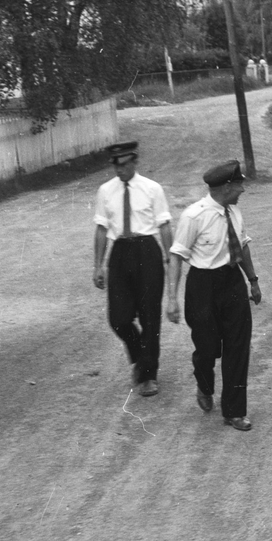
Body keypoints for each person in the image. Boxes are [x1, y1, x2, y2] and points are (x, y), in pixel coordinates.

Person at [166, 161, 262, 432]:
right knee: (207, 348)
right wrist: (171, 299)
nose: (243, 190)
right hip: (203, 286)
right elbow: (176, 256)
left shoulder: (235, 212)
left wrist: (253, 281)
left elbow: (242, 247)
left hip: (232, 282)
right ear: (227, 187)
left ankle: (234, 411)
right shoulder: (194, 216)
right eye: (239, 185)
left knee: (238, 347)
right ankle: (204, 385)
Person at [92, 141, 173, 397]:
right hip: (120, 252)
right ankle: (140, 356)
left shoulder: (152, 189)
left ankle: (148, 376)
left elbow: (164, 225)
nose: (120, 170)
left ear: (135, 162)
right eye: (116, 166)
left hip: (147, 251)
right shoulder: (105, 191)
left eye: (125, 165)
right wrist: (98, 266)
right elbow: (101, 229)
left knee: (150, 316)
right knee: (118, 319)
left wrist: (170, 258)